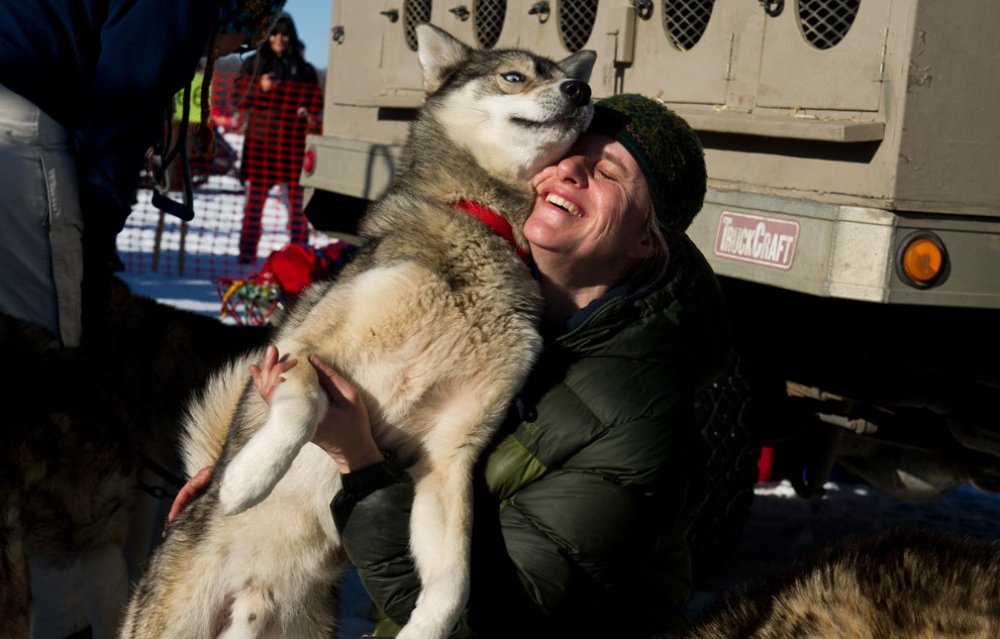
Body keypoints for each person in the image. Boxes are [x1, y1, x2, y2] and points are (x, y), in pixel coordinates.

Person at [170, 94, 730, 637]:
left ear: (645, 244)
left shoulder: (635, 417)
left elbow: (490, 622)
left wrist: (357, 460)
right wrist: (261, 482)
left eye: (609, 172)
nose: (572, 171)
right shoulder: (498, 309)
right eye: (567, 154)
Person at [0, 0, 285, 351]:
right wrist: (95, 248)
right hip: (17, 127)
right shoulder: (181, 8)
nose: (228, 54)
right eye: (243, 45)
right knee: (39, 353)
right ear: (239, 13)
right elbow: (118, 120)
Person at [235, 12, 323, 264]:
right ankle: (246, 253)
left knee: (297, 208)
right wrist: (258, 87)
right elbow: (236, 98)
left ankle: (300, 254)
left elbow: (316, 103)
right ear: (267, 35)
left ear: (291, 37)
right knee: (254, 207)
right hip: (261, 147)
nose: (279, 39)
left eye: (284, 34)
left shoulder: (303, 69)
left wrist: (309, 111)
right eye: (274, 33)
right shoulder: (254, 63)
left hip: (292, 148)